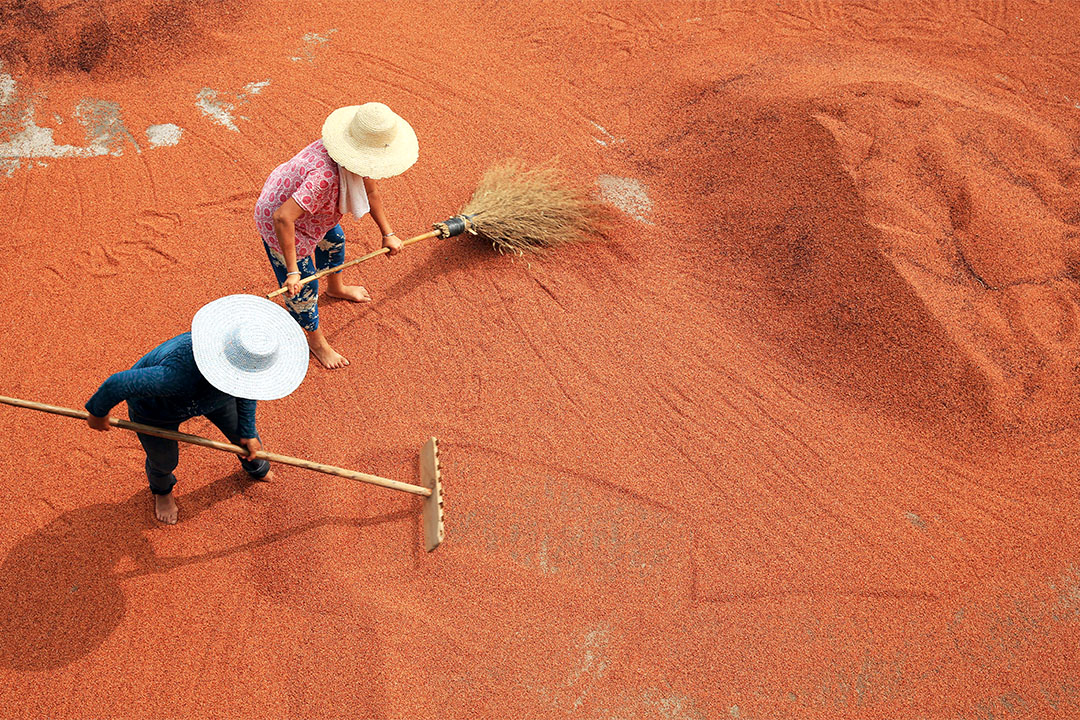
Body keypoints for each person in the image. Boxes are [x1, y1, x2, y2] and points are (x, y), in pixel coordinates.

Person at [84, 295, 309, 524]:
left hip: (216, 397)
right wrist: (98, 412)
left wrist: (248, 430)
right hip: (156, 410)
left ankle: (256, 466)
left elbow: (247, 390)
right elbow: (119, 383)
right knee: (164, 460)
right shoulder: (175, 376)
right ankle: (162, 490)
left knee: (244, 438)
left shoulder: (243, 368)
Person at [255, 101, 419, 369]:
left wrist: (388, 233)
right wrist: (293, 271)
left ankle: (335, 287)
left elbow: (371, 191)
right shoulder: (324, 179)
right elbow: (283, 217)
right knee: (305, 287)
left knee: (335, 242)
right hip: (285, 221)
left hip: (314, 214)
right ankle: (315, 340)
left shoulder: (355, 159)